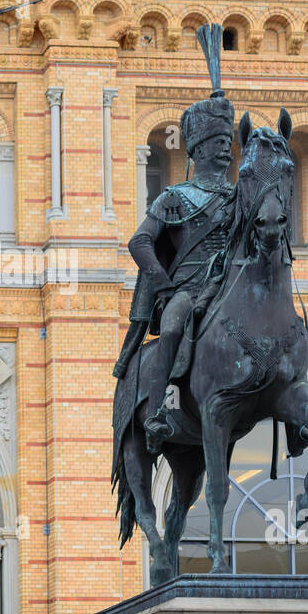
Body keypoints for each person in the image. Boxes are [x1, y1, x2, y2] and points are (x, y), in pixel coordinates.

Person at [114, 87, 237, 455]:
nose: (224, 148)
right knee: (171, 329)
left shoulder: (239, 197)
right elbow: (140, 242)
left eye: (227, 141)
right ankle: (155, 414)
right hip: (187, 288)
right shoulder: (174, 196)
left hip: (229, 286)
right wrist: (164, 287)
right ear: (197, 149)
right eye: (216, 141)